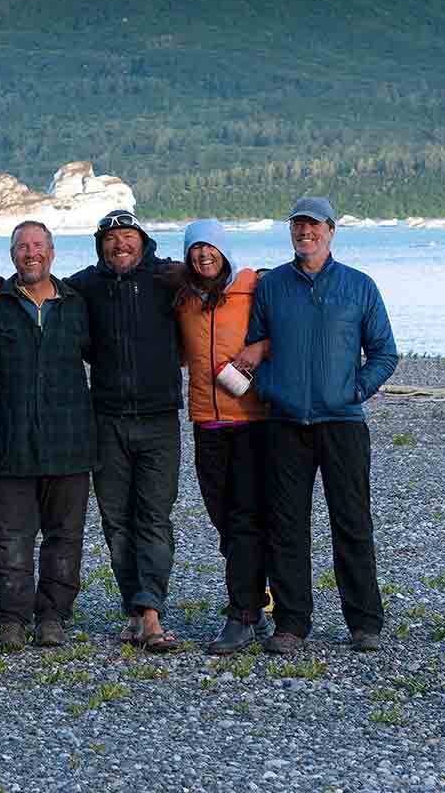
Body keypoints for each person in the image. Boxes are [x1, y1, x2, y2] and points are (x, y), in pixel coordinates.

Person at [0, 208, 186, 653]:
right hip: (96, 424)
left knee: (146, 519)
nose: (120, 245)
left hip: (152, 420)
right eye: (22, 247)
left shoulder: (165, 280)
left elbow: (217, 289)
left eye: (127, 236)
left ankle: (143, 613)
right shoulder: (77, 290)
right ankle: (122, 611)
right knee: (112, 524)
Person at [236, 197, 398, 655]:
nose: (305, 232)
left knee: (352, 522)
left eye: (314, 225)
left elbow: (385, 353)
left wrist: (355, 390)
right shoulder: (273, 287)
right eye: (298, 225)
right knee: (286, 526)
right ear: (291, 232)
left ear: (330, 231)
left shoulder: (359, 286)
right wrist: (270, 388)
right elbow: (256, 346)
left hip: (342, 422)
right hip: (285, 423)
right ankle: (291, 622)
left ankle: (364, 622)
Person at [0, 221, 97, 651]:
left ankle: (53, 616)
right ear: (11, 256)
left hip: (71, 444)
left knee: (65, 539)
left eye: (38, 245)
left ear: (52, 252)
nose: (31, 253)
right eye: (22, 247)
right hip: (12, 447)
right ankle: (11, 619)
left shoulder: (78, 304)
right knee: (9, 540)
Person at [174, 220, 272, 655]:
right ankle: (258, 601)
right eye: (195, 249)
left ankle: (243, 616)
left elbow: (288, 326)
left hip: (251, 423)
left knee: (244, 519)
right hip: (206, 423)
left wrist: (259, 349)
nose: (203, 255)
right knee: (223, 521)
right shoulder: (183, 298)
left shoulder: (257, 287)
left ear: (225, 250)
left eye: (210, 247)